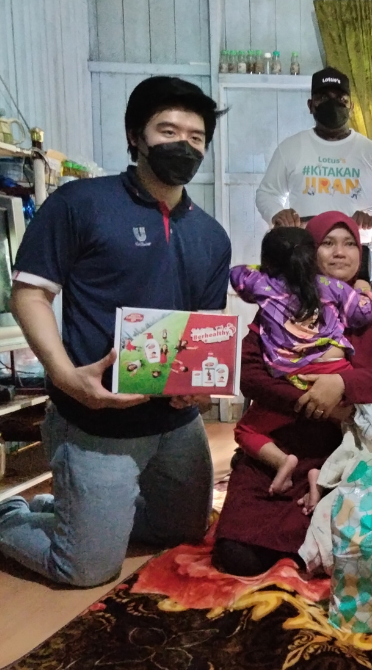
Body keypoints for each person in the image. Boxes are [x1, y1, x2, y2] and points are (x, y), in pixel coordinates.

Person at [0, 77, 230, 587]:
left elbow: (203, 329)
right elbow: (29, 295)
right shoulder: (80, 203)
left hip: (175, 423)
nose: (183, 145)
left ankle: (77, 512)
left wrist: (199, 385)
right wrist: (66, 378)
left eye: (196, 137)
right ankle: (11, 516)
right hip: (95, 421)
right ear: (135, 136)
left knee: (183, 533)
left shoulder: (211, 235)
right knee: (85, 570)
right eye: (168, 130)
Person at [213, 212, 372, 576]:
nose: (340, 252)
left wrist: (342, 386)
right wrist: (309, 402)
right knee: (235, 555)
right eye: (328, 243)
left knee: (339, 547)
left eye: (350, 243)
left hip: (342, 450)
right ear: (309, 253)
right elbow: (250, 374)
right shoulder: (283, 300)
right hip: (279, 443)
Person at [229, 227, 372, 499]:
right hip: (335, 369)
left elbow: (237, 275)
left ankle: (283, 461)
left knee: (246, 429)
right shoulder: (332, 287)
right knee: (364, 432)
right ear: (314, 256)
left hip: (293, 375)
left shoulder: (263, 285)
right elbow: (363, 312)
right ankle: (323, 476)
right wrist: (364, 290)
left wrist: (266, 269)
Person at [255, 67, 372, 276]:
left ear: (351, 107)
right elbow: (267, 193)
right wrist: (277, 214)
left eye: (341, 99)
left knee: (357, 299)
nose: (333, 104)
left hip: (355, 253)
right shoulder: (291, 148)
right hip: (305, 251)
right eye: (323, 98)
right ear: (310, 105)